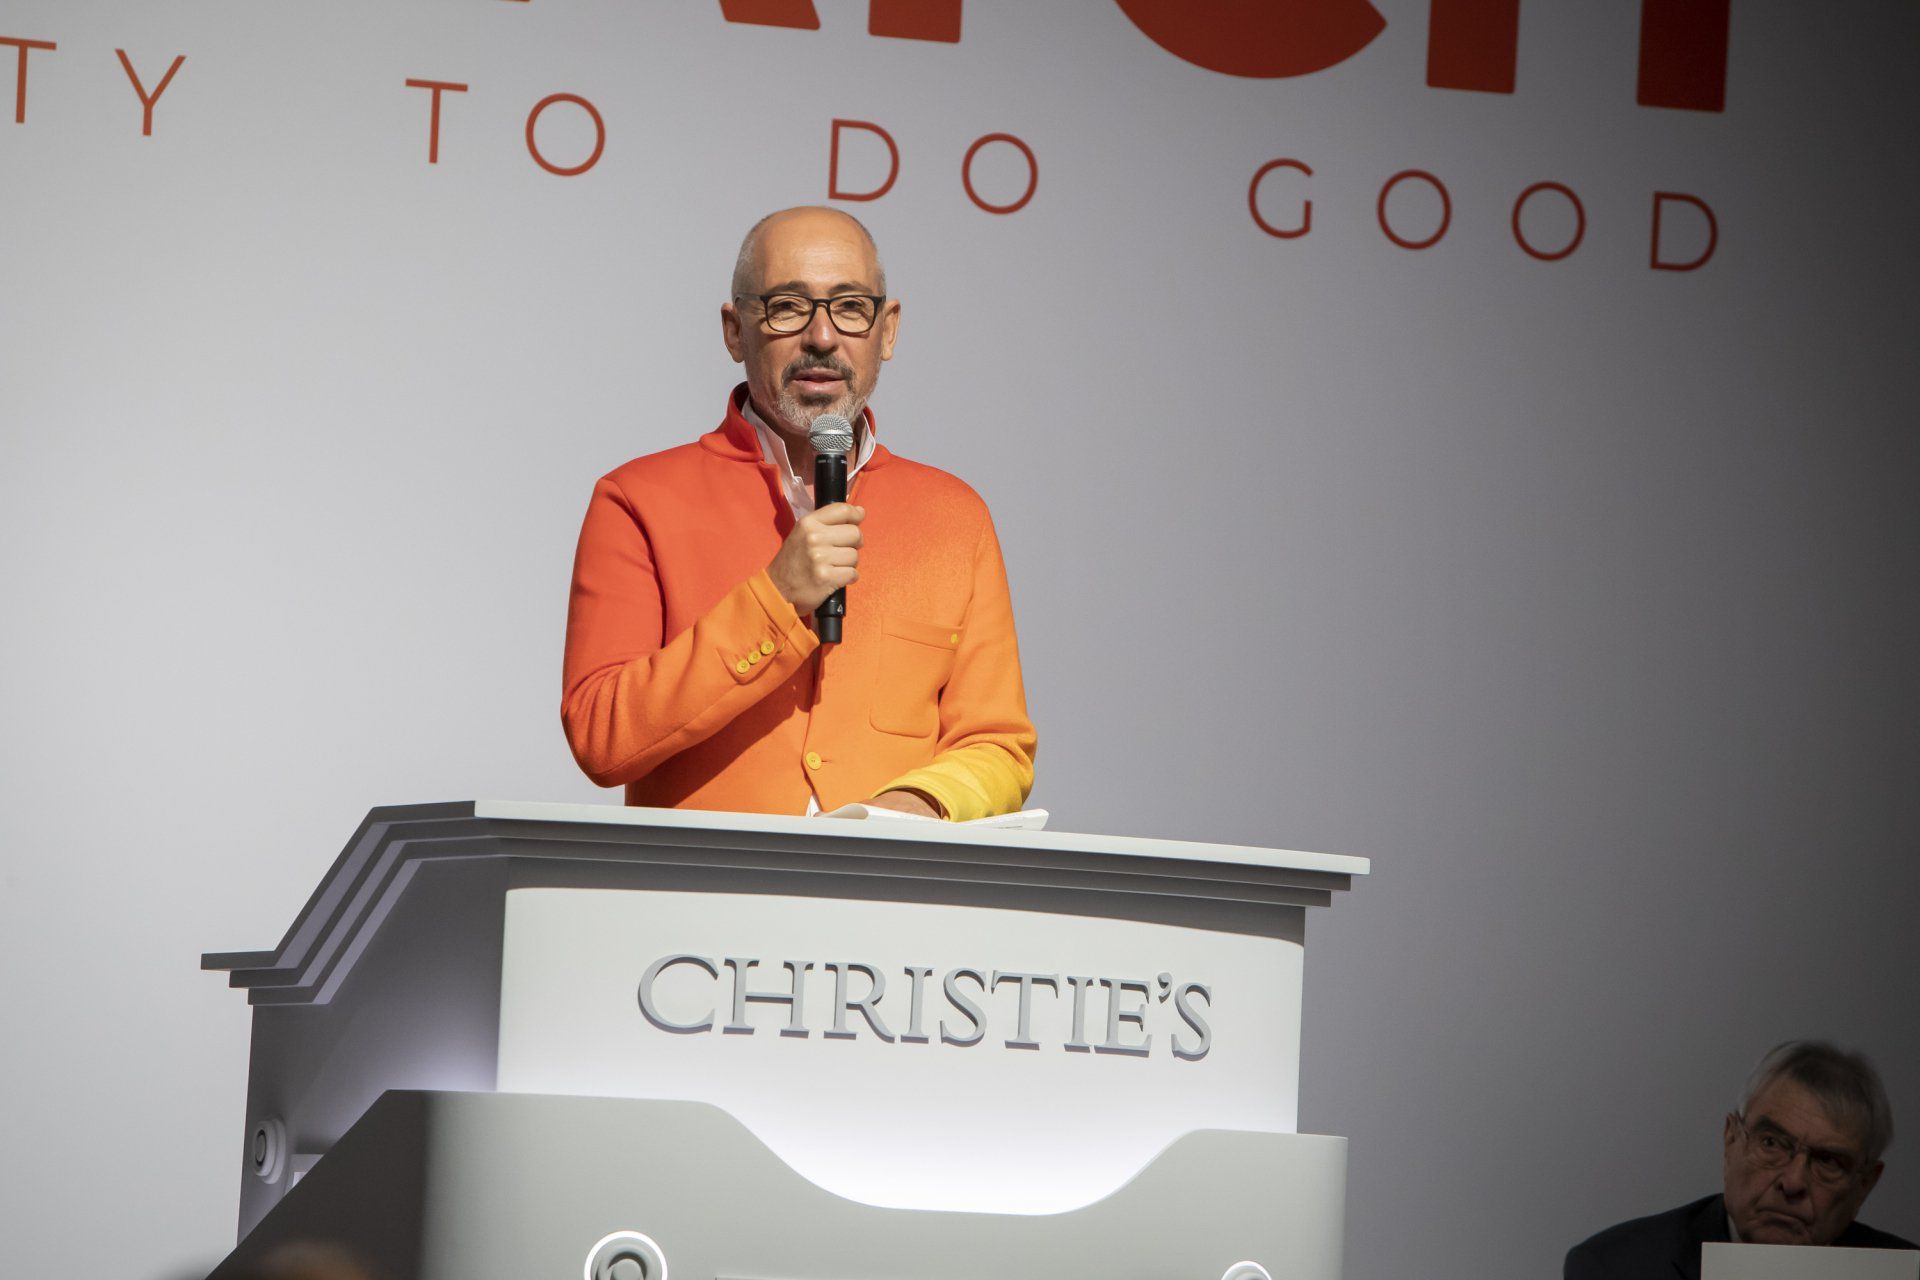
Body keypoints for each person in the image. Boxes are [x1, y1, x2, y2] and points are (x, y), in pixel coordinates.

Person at [561, 207, 1035, 820]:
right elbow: (600, 738)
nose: (822, 337)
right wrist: (775, 598)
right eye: (787, 307)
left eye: (851, 307)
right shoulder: (637, 498)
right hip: (704, 876)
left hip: (887, 874)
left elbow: (998, 744)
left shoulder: (954, 516)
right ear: (735, 331)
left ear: (888, 330)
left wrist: (916, 806)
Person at [1565, 1041, 1914, 1280]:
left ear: (1865, 1185)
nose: (1793, 1182)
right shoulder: (1614, 1268)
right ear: (1730, 1140)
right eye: (1771, 1143)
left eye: (1828, 1162)